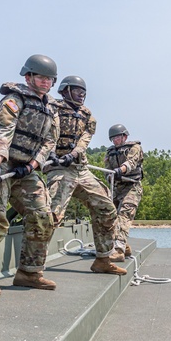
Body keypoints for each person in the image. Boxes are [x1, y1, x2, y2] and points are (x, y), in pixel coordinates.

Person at [0, 54, 61, 298]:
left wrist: (32, 166)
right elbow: (3, 131)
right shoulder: (14, 100)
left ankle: (30, 272)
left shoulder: (51, 108)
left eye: (49, 79)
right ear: (28, 76)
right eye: (41, 77)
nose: (45, 82)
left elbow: (50, 141)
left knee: (43, 216)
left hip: (24, 169)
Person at [46, 76, 126, 276]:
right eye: (77, 90)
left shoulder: (87, 115)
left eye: (84, 91)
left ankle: (103, 259)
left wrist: (72, 154)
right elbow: (43, 133)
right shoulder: (51, 107)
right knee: (52, 215)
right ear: (64, 90)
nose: (82, 94)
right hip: (57, 168)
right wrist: (51, 155)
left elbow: (85, 139)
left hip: (80, 168)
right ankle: (31, 269)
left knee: (106, 209)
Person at [103, 124, 143, 261]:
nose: (115, 141)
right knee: (110, 217)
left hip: (132, 187)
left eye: (117, 138)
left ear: (124, 137)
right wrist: (110, 175)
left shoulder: (135, 148)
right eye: (113, 139)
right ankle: (124, 246)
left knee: (124, 215)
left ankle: (119, 250)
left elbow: (131, 162)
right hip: (117, 188)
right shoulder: (110, 152)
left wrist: (121, 170)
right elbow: (107, 170)